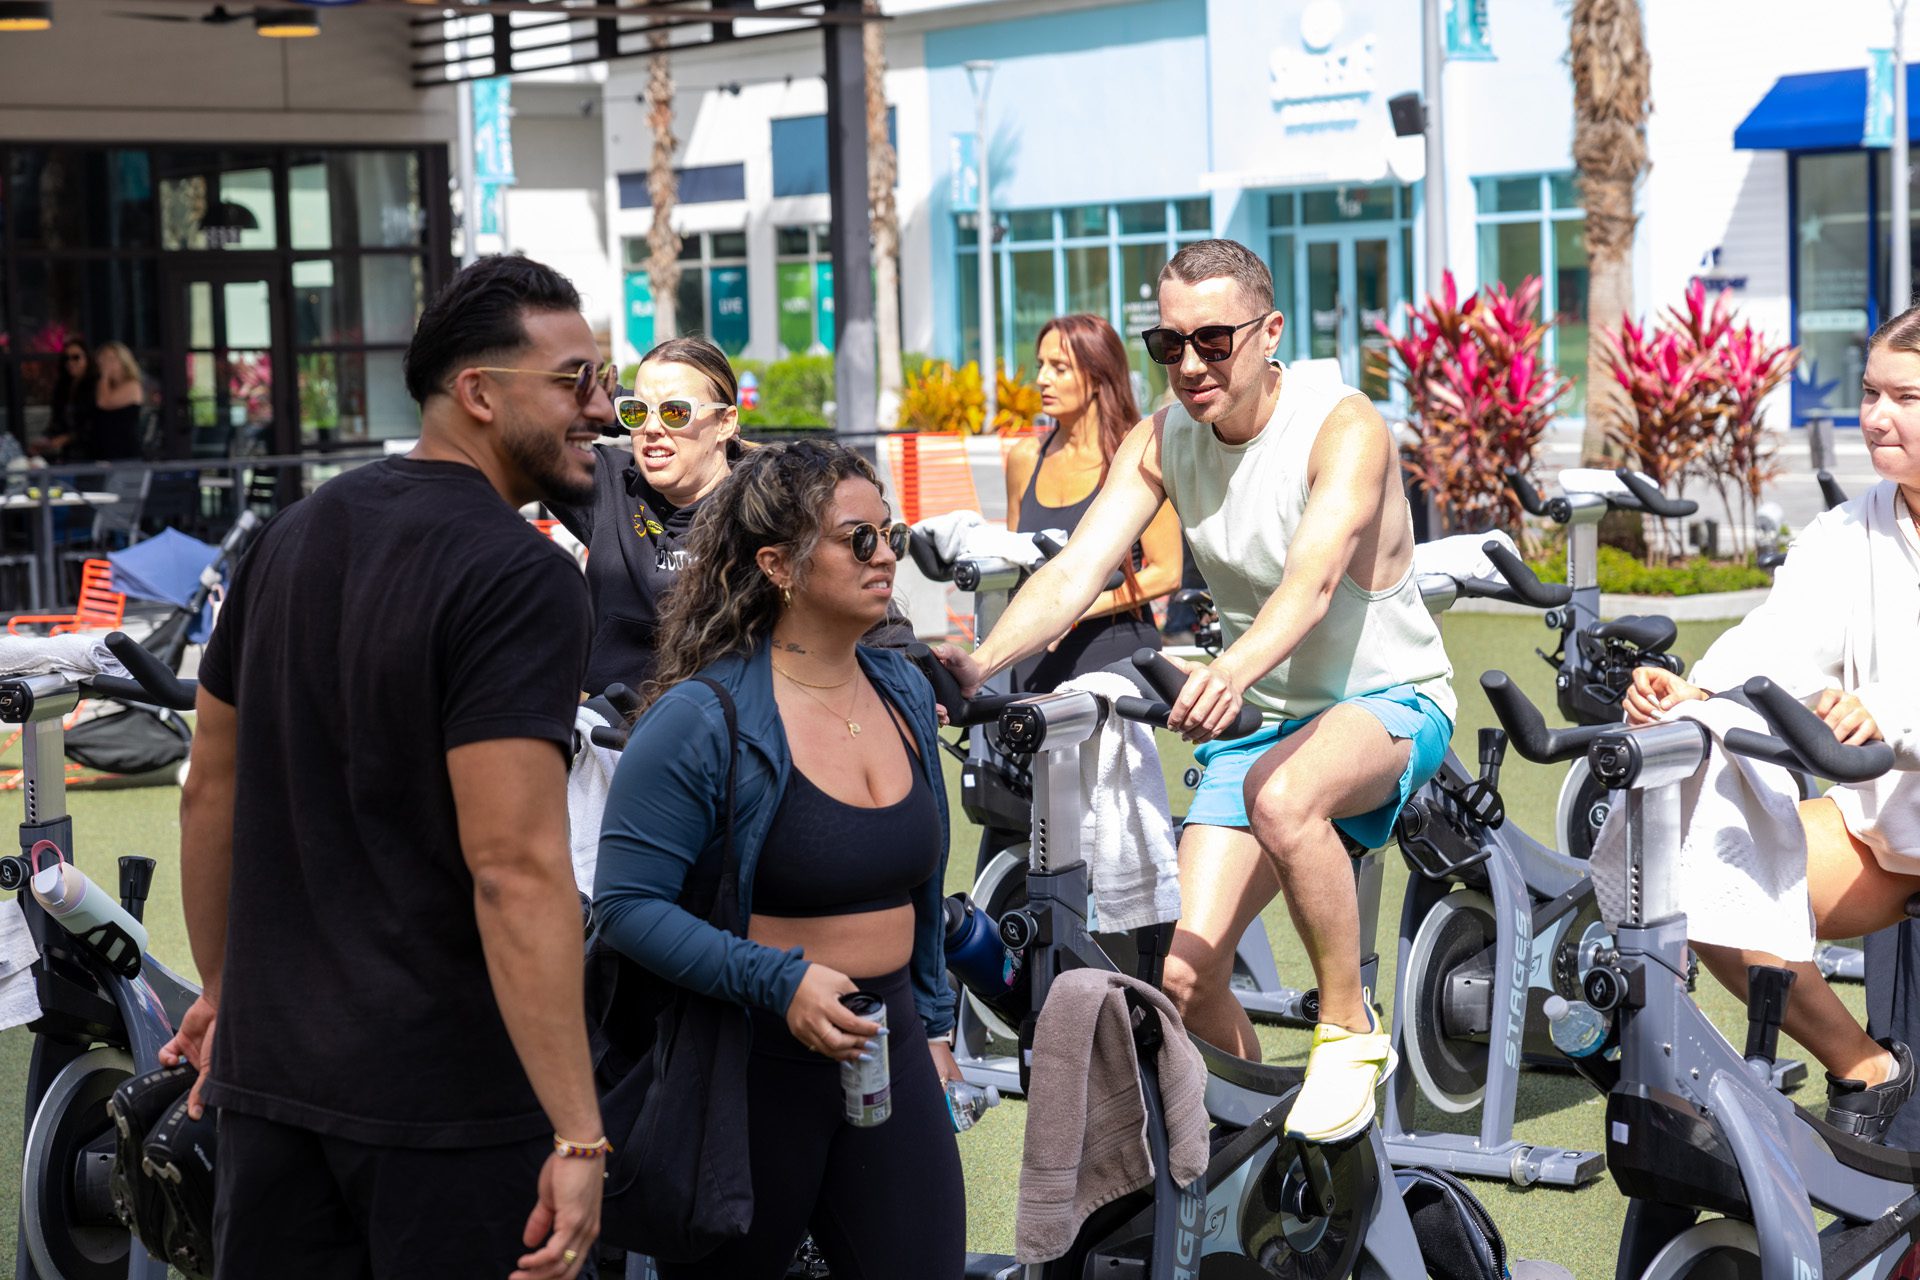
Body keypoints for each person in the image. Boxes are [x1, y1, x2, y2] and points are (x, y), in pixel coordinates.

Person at [937, 238, 1455, 1145]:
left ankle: (1350, 1028)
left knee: (1283, 797)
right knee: (1183, 977)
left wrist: (1228, 671)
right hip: (1270, 720)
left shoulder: (1344, 427)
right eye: (1167, 344)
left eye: (1214, 341)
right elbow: (1077, 571)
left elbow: (1312, 583)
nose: (1189, 365)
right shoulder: (1163, 438)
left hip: (1389, 699)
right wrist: (982, 664)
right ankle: (1258, 1145)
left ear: (1270, 331)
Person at [158, 254, 612, 1278]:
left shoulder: (290, 534)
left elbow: (207, 789)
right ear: (480, 393)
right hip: (449, 1111)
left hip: (273, 1088)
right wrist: (580, 1133)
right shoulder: (522, 576)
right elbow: (515, 867)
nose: (602, 409)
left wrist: (226, 995)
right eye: (575, 380)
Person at [594, 440, 964, 1280]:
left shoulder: (903, 690)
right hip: (749, 1061)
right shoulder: (701, 716)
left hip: (888, 1044)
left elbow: (921, 885)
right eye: (858, 539)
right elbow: (625, 905)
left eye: (891, 535)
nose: (885, 556)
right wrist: (779, 982)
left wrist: (932, 1025)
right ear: (778, 565)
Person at [1622, 305, 1920, 1142]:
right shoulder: (1850, 532)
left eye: (1905, 397)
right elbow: (1777, 644)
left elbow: (1894, 712)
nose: (1876, 417)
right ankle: (1869, 1068)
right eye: (1870, 393)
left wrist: (1889, 713)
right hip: (1889, 840)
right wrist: (1694, 691)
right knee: (1700, 876)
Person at [548, 336, 742, 696]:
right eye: (637, 412)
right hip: (604, 721)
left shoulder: (762, 510)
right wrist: (611, 405)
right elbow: (515, 430)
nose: (651, 429)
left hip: (718, 719)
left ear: (725, 422)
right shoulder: (611, 484)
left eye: (675, 412)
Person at [1002, 314, 1181, 692]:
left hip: (1116, 652)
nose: (1042, 379)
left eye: (1059, 368)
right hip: (1035, 653)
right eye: (1041, 365)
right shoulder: (1024, 458)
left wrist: (1074, 610)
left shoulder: (1138, 453)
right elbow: (1016, 566)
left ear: (1098, 377)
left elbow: (1167, 572)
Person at [37, 338, 94, 461]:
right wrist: (45, 439)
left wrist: (67, 438)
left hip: (92, 452)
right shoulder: (63, 387)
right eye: (66, 358)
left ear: (87, 358)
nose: (70, 362)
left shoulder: (95, 385)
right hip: (68, 454)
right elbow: (57, 421)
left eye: (76, 357)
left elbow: (94, 423)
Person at [89, 341, 146, 461]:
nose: (106, 363)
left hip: (124, 449)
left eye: (111, 359)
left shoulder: (132, 385)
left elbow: (103, 402)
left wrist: (104, 375)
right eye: (102, 359)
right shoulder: (104, 386)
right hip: (104, 448)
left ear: (123, 361)